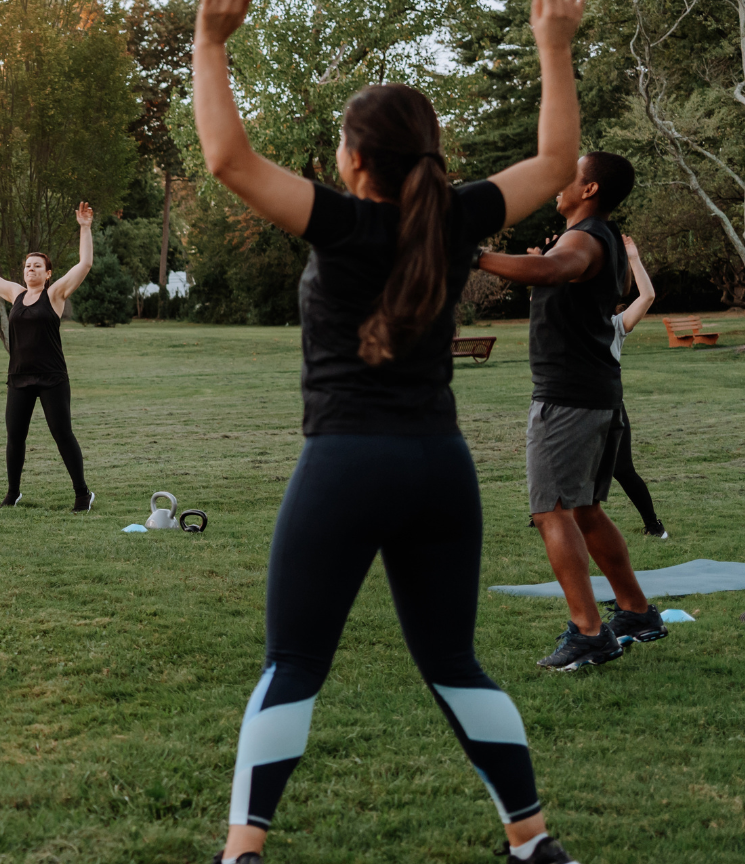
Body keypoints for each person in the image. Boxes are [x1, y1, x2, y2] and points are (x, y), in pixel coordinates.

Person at [193, 0, 586, 861]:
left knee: (295, 662)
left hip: (347, 463)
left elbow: (227, 159)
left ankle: (242, 850)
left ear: (355, 157)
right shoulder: (459, 215)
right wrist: (552, 44)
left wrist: (210, 40)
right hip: (440, 468)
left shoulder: (344, 222)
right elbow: (558, 162)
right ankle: (532, 843)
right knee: (454, 662)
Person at [477, 150, 666, 670]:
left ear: (589, 189)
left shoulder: (584, 238)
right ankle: (636, 612)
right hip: (598, 394)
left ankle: (589, 632)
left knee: (551, 511)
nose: (558, 183)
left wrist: (474, 257)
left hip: (568, 399)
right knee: (584, 509)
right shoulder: (600, 237)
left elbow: (552, 269)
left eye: (569, 175)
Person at [0, 205, 97, 512]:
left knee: (62, 434)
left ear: (47, 273)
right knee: (15, 437)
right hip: (19, 377)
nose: (31, 269)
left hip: (52, 377)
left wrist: (85, 228)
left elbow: (84, 263)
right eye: (28, 266)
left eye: (37, 266)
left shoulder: (54, 295)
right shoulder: (15, 294)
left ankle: (82, 494)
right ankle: (13, 493)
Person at [609, 235, 666, 539]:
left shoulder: (616, 324)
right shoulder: (570, 322)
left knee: (622, 469)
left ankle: (654, 526)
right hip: (574, 404)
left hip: (610, 407)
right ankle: (544, 516)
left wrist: (633, 258)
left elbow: (647, 296)